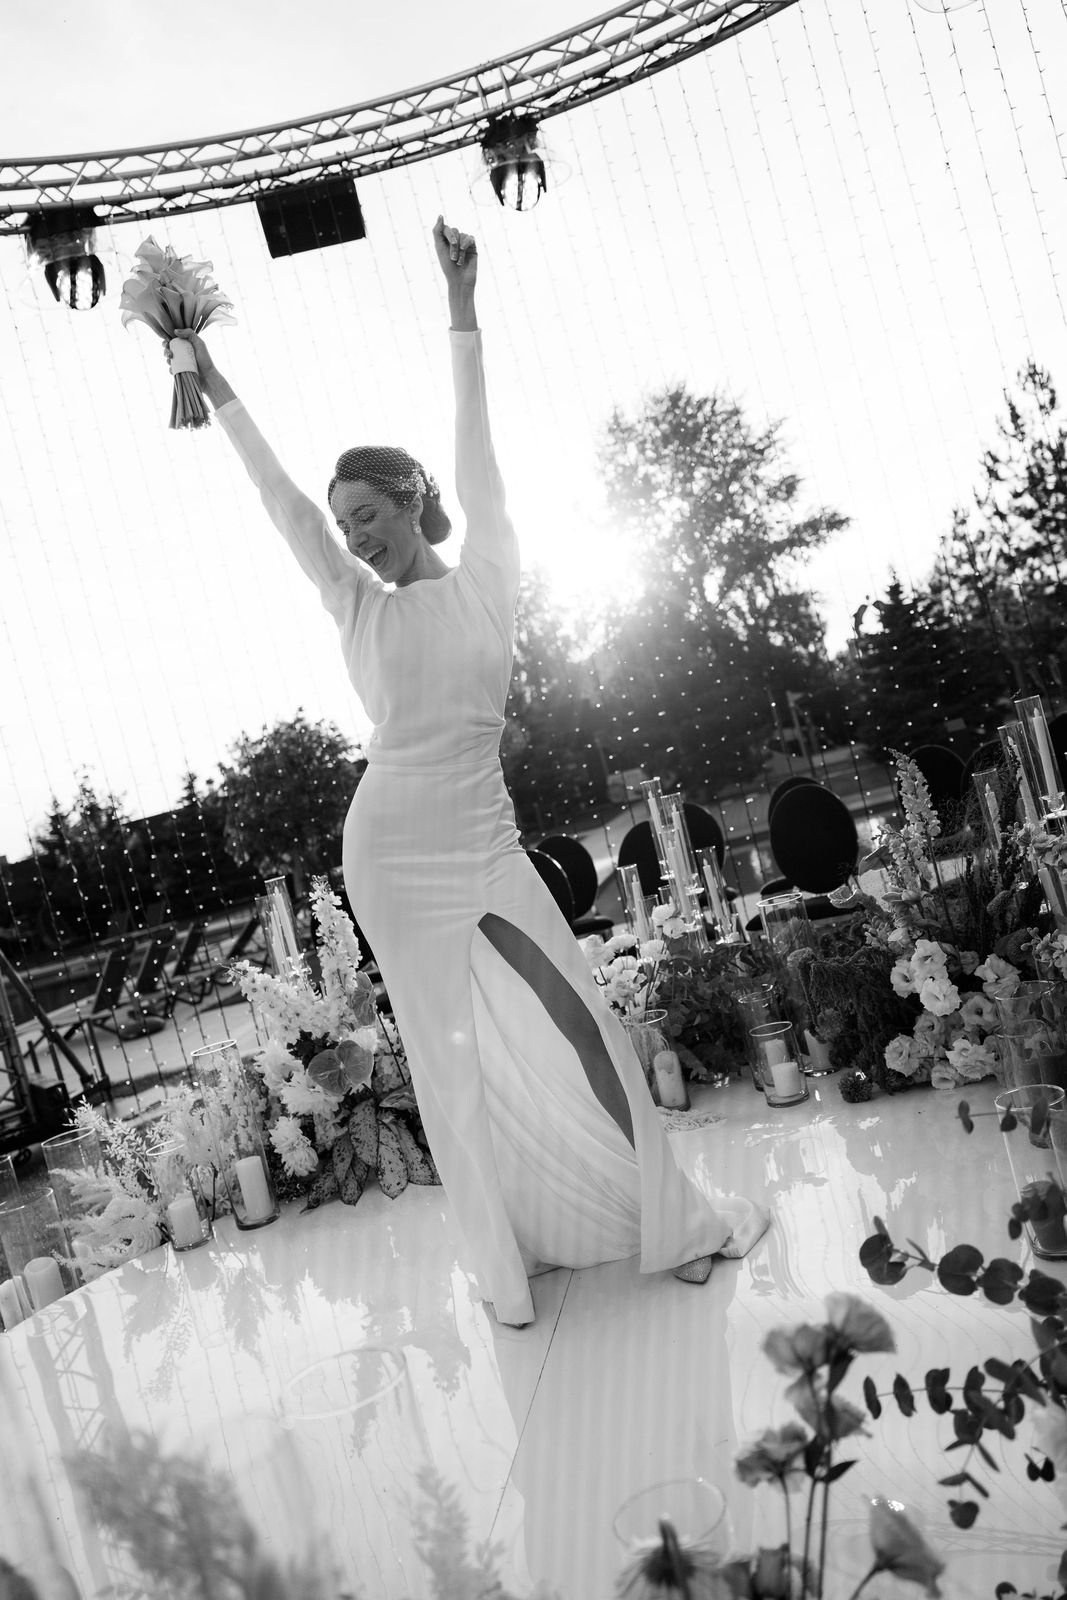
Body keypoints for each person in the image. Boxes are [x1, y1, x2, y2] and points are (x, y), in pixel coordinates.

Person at [171, 216, 768, 1328]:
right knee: (447, 1066)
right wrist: (213, 382)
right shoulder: (353, 603)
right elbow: (279, 499)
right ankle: (508, 1268)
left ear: (410, 500)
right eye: (344, 525)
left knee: (581, 1019)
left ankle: (666, 1216)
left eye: (368, 516)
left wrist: (460, 307)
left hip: (486, 842)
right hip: (389, 852)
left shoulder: (489, 574)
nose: (354, 537)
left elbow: (476, 441)